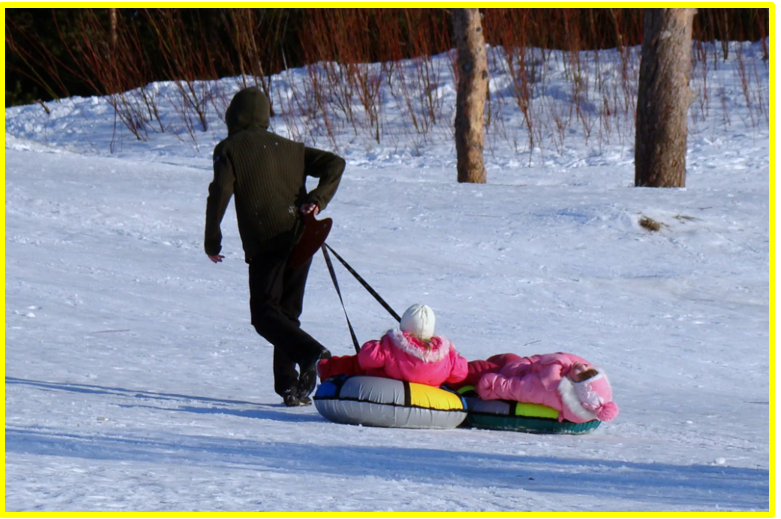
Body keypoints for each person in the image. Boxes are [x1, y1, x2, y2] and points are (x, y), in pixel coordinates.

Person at [205, 87, 344, 407]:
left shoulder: (230, 147)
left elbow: (219, 193)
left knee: (265, 315)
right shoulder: (291, 148)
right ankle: (290, 387)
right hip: (302, 237)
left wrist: (212, 239)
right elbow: (335, 163)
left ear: (233, 116)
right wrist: (318, 199)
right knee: (286, 316)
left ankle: (312, 353)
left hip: (269, 240)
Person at [317, 304, 469, 387]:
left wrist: (379, 343)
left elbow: (366, 358)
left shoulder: (393, 345)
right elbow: (460, 373)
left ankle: (324, 367)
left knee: (354, 364)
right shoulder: (445, 354)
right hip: (427, 391)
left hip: (386, 386)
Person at [457, 352, 619, 423]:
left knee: (478, 369)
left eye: (581, 372)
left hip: (511, 378)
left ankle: (451, 374)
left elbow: (516, 388)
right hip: (523, 370)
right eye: (587, 367)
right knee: (508, 357)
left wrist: (489, 386)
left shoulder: (547, 389)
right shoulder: (567, 369)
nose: (581, 366)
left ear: (575, 385)